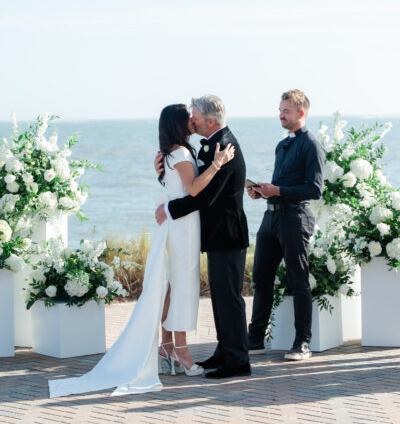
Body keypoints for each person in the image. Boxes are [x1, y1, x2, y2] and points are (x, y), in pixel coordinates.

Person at [48, 103, 234, 398]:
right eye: (187, 116)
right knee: (182, 285)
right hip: (183, 226)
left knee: (171, 286)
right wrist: (217, 164)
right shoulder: (182, 153)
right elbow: (195, 189)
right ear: (177, 122)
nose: (191, 119)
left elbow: (176, 186)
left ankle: (168, 346)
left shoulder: (171, 153)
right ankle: (182, 352)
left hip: (176, 224)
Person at [155, 95, 251, 379]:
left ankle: (238, 361)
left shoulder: (225, 146)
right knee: (220, 298)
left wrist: (170, 208)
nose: (192, 120)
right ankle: (225, 352)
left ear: (210, 121)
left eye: (194, 115)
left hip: (228, 234)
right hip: (216, 234)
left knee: (230, 298)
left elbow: (204, 196)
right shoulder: (208, 145)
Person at [247, 89, 325, 361]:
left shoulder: (311, 145)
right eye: (280, 110)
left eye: (286, 110)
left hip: (295, 218)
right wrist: (262, 192)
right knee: (260, 278)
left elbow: (315, 190)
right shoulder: (282, 145)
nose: (281, 114)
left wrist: (277, 190)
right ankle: (255, 339)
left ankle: (302, 342)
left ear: (301, 112)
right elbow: (281, 186)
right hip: (272, 217)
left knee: (298, 280)